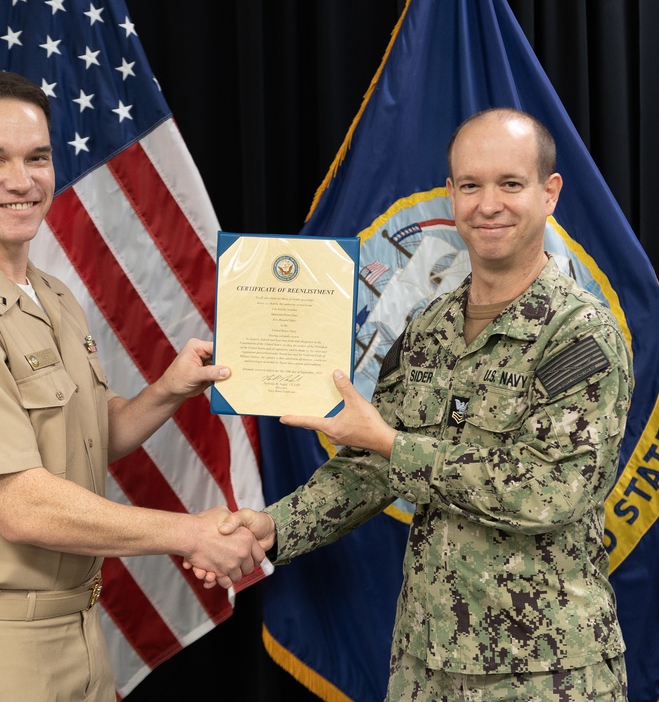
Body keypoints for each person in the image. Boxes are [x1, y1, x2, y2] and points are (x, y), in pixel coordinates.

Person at [198, 108, 634, 701]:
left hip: (542, 671)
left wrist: (392, 442)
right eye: (471, 185)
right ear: (451, 195)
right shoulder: (429, 327)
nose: (489, 204)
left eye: (510, 184)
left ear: (549, 192)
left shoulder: (579, 335)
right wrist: (274, 528)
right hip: (425, 663)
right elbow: (373, 467)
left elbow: (549, 491)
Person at [0, 70, 264, 702]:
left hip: (76, 632)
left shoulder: (51, 296)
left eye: (37, 157)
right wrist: (190, 534)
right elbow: (22, 505)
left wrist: (167, 389)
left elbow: (85, 437)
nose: (21, 181)